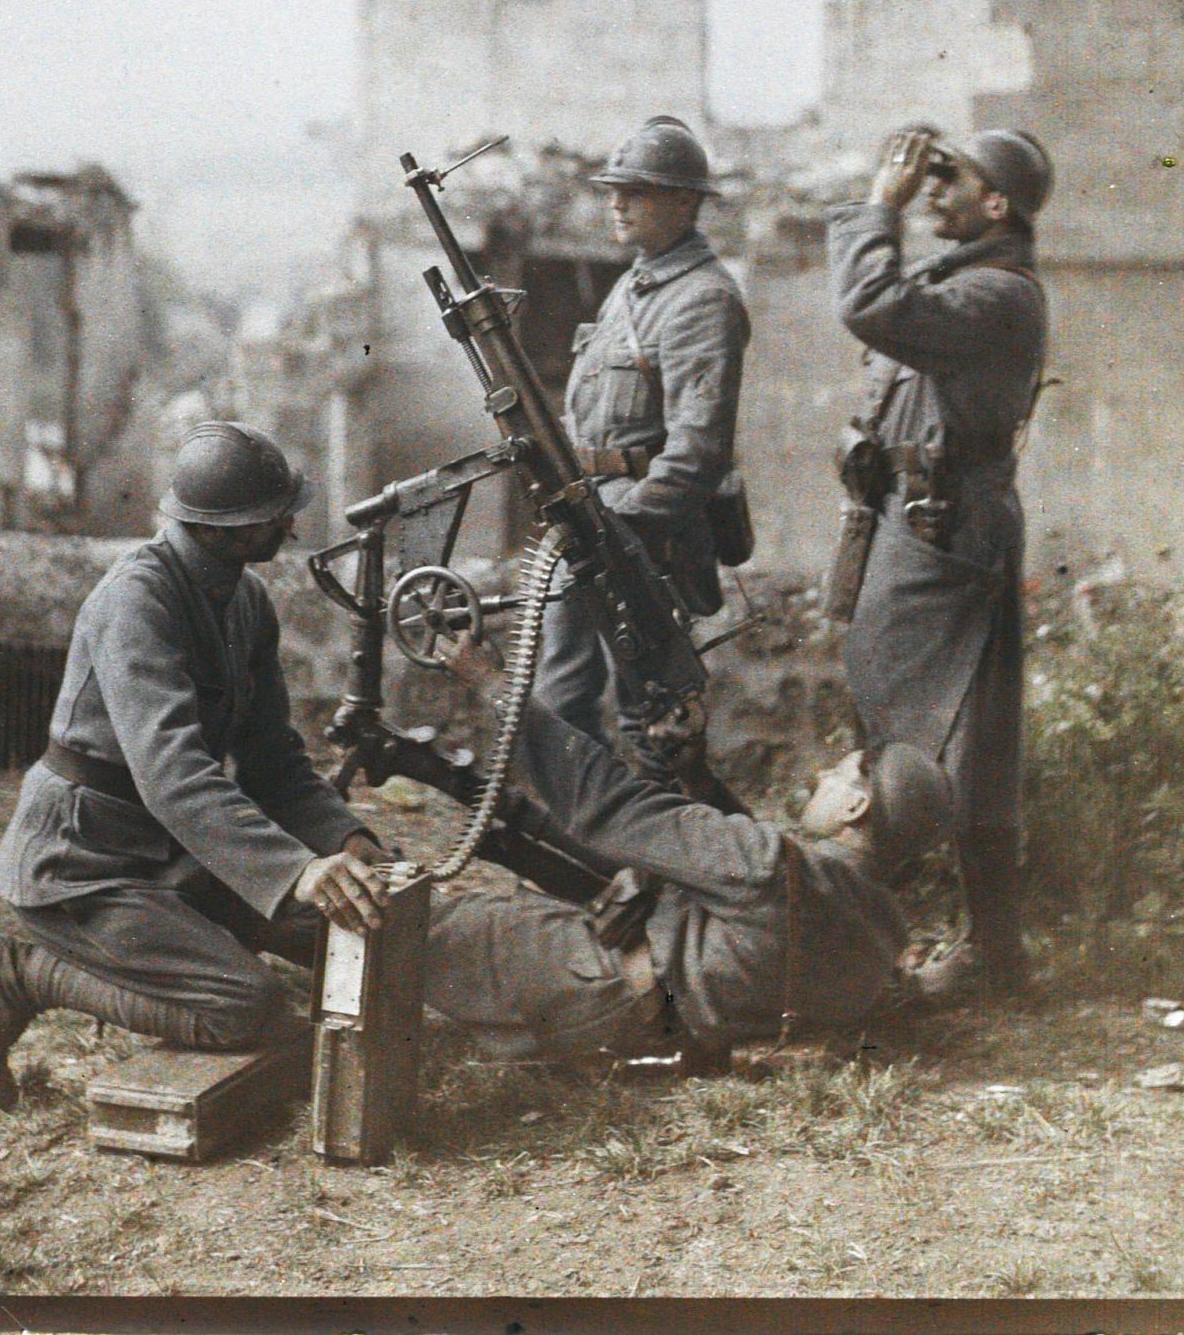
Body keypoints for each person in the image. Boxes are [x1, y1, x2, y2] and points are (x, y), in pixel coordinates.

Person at [0, 422, 393, 1112]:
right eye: (270, 517)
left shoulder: (245, 600)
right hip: (83, 866)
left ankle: (193, 937)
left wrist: (344, 838)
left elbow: (273, 757)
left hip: (173, 854)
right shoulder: (135, 599)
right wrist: (296, 871)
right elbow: (174, 775)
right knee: (243, 1006)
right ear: (217, 530)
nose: (289, 524)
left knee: (349, 933)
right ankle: (19, 972)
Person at [427, 635, 949, 1062]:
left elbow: (607, 803)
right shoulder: (881, 933)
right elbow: (777, 897)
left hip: (594, 986)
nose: (821, 776)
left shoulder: (765, 867)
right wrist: (696, 776)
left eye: (837, 774)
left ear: (856, 808)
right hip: (654, 1029)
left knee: (414, 924)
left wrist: (496, 686)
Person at [825, 126, 1053, 1006]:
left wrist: (878, 205)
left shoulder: (999, 293)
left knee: (951, 737)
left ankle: (950, 951)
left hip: (948, 531)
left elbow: (868, 303)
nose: (930, 187)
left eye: (949, 178)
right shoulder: (964, 279)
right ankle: (896, 937)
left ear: (997, 204)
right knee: (916, 725)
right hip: (919, 521)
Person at [537, 115, 752, 781]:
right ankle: (587, 831)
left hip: (647, 536)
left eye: (636, 191)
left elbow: (698, 451)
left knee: (652, 715)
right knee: (560, 697)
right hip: (593, 519)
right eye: (613, 190)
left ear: (684, 202)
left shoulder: (703, 299)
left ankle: (679, 839)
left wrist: (621, 527)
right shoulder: (635, 285)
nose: (617, 204)